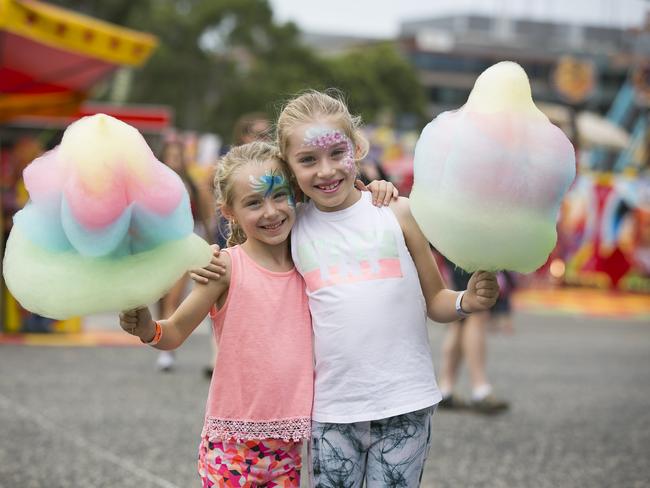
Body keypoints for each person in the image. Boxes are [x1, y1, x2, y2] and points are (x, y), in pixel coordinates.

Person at [122, 141, 397, 485]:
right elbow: (174, 331)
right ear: (229, 211)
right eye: (253, 202)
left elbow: (348, 212)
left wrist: (376, 190)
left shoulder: (312, 262)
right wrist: (147, 327)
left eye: (279, 196)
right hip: (231, 445)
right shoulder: (224, 266)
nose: (271, 212)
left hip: (290, 445)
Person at [263, 89, 497, 485]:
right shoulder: (292, 227)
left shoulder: (396, 212)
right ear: (288, 165)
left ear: (357, 147)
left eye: (337, 154)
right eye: (308, 160)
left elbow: (436, 300)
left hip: (405, 402)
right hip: (331, 409)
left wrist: (466, 301)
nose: (326, 171)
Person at [155, 139, 214, 372]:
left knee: (181, 299)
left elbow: (205, 216)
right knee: (166, 299)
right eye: (171, 154)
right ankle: (165, 346)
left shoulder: (191, 184)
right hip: (163, 248)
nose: (175, 158)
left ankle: (169, 351)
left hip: (187, 245)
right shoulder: (155, 184)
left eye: (179, 154)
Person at [437, 259, 510, 414]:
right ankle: (480, 389)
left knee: (458, 319)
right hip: (471, 247)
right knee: (476, 310)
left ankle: (446, 388)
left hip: (454, 245)